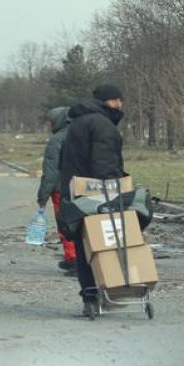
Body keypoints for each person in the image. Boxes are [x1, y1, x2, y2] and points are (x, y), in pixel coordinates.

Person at [59, 84, 126, 315]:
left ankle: (89, 297)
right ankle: (113, 291)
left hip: (76, 193)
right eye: (117, 100)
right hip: (97, 195)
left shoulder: (78, 122)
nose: (120, 105)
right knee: (107, 244)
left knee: (83, 246)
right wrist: (116, 190)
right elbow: (104, 163)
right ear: (107, 101)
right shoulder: (102, 124)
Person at [36, 106, 76, 275]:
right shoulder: (81, 134)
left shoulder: (57, 139)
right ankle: (78, 260)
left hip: (62, 188)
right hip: (83, 186)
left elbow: (51, 170)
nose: (49, 125)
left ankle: (73, 260)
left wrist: (43, 195)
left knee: (65, 224)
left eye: (50, 122)